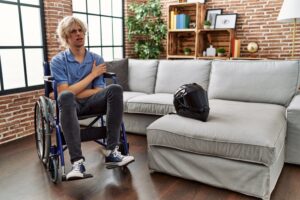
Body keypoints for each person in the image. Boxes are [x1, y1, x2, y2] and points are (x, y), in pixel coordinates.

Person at [50, 16, 134, 180]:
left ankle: (112, 152)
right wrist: (92, 75)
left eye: (81, 30)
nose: (79, 34)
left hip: (92, 104)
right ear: (66, 37)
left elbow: (97, 91)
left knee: (115, 89)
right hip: (70, 106)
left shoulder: (96, 59)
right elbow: (65, 94)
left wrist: (70, 91)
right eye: (73, 31)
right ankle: (77, 164)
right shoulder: (58, 61)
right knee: (67, 96)